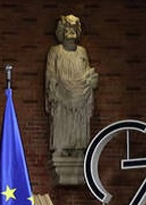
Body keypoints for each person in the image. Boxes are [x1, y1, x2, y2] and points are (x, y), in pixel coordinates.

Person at [45, 14, 99, 157]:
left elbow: (87, 71)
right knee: (61, 117)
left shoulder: (81, 52)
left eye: (74, 27)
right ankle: (61, 146)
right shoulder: (55, 51)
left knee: (78, 118)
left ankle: (78, 147)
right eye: (68, 27)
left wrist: (91, 80)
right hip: (61, 95)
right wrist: (52, 87)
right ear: (62, 30)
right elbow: (50, 73)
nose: (71, 30)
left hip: (80, 95)